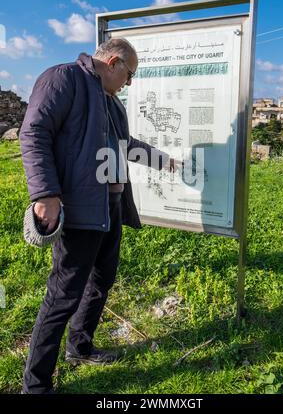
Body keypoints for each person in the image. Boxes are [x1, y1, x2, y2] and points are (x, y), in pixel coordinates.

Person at [19, 38, 179, 394]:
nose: (130, 83)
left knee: (101, 281)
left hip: (110, 208)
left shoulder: (112, 103)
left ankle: (80, 347)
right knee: (63, 295)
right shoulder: (62, 79)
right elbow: (33, 133)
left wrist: (162, 160)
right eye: (130, 74)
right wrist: (46, 194)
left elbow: (127, 146)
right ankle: (36, 384)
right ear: (112, 61)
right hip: (78, 209)